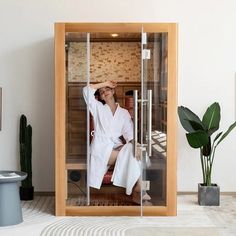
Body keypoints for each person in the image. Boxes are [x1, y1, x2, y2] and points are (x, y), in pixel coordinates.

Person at [83, 80, 150, 203]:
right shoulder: (97, 107)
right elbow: (86, 91)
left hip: (116, 148)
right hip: (101, 148)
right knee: (131, 153)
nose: (104, 92)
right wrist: (105, 83)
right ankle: (138, 188)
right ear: (100, 96)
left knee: (133, 148)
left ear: (113, 91)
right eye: (102, 92)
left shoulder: (123, 113)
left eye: (107, 89)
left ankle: (137, 190)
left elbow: (130, 134)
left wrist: (135, 144)